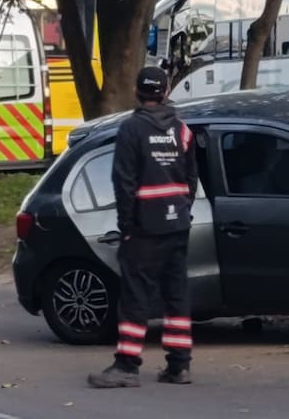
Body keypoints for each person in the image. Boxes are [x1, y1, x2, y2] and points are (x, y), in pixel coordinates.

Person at [88, 66, 198, 388]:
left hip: (144, 227)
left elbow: (124, 183)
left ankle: (127, 365)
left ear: (138, 92)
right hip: (177, 225)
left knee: (135, 295)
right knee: (176, 294)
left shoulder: (131, 130)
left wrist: (126, 227)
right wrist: (181, 210)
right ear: (164, 93)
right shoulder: (182, 130)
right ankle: (179, 366)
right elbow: (191, 179)